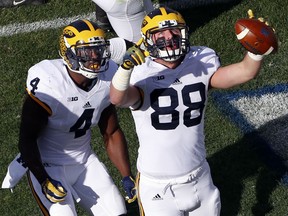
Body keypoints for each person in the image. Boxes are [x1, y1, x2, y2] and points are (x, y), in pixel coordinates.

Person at [110, 7, 275, 216]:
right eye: (160, 32)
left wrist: (256, 51)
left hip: (199, 177)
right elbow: (117, 98)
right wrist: (124, 69)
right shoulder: (140, 72)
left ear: (184, 33)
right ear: (148, 39)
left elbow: (245, 72)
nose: (169, 37)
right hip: (158, 186)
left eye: (174, 31)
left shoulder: (199, 60)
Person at [5, 19, 136, 216]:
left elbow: (111, 132)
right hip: (49, 165)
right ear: (69, 53)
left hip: (85, 161)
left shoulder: (108, 75)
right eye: (86, 51)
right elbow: (27, 138)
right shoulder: (50, 81)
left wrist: (127, 176)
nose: (94, 57)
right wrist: (43, 179)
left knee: (118, 212)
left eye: (98, 49)